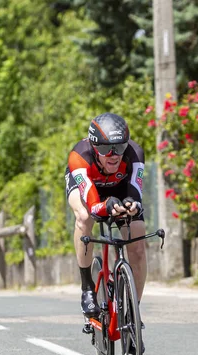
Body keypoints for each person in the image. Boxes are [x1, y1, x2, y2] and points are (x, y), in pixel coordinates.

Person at [65, 112, 147, 327]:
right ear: (93, 147)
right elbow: (93, 206)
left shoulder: (135, 153)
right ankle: (86, 288)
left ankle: (133, 313)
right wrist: (106, 204)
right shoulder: (79, 156)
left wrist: (131, 205)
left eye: (119, 147)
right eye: (104, 148)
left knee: (137, 245)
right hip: (89, 188)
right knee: (83, 218)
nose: (113, 155)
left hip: (120, 189)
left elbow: (135, 194)